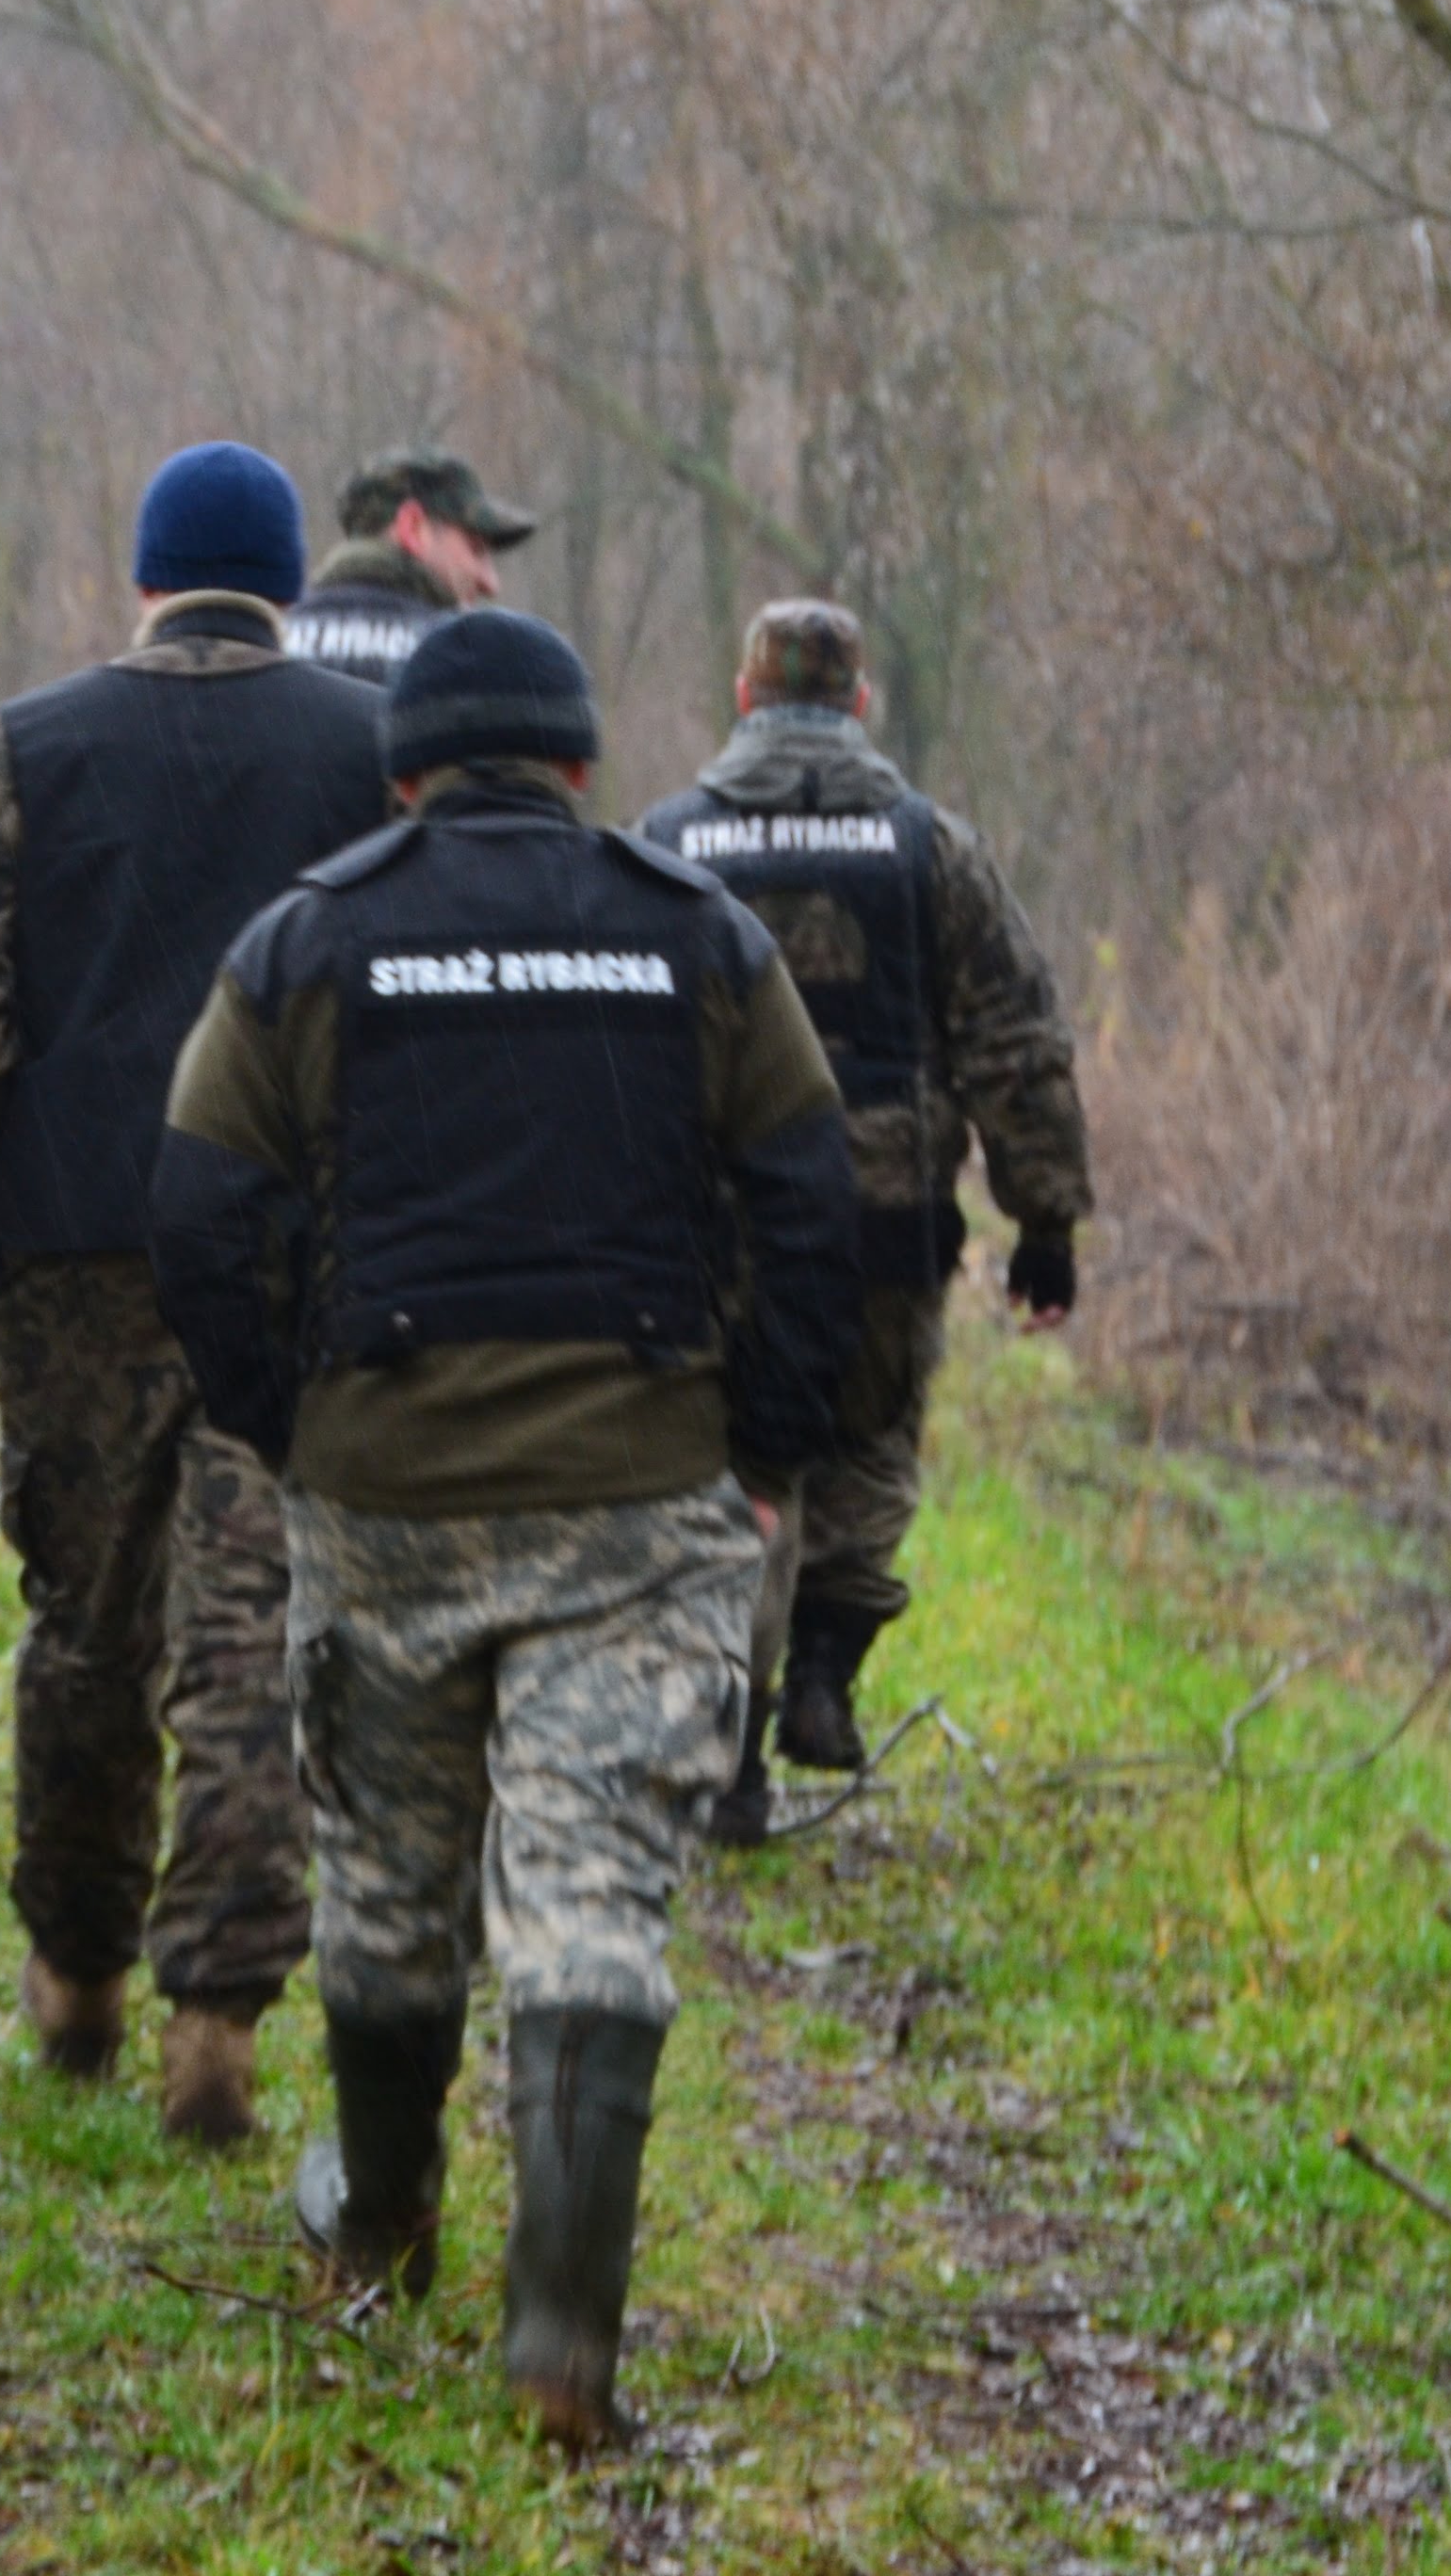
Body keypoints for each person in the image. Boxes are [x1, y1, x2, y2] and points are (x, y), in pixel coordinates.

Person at [147, 608, 858, 2449]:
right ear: (578, 765)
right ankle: (560, 2343)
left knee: (388, 1888)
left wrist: (287, 1422)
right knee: (594, 1896)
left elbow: (196, 1211)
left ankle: (381, 2223)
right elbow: (809, 1205)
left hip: (382, 1497)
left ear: (402, 768)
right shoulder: (703, 939)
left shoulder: (301, 944)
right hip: (639, 1499)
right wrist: (761, 1443)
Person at [0, 443, 392, 2144]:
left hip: (72, 1257)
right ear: (279, 581)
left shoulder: (23, 748)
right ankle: (217, 2011)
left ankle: (74, 1971)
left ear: (143, 577)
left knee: (83, 1623)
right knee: (252, 1627)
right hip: (285, 1252)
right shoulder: (366, 749)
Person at [637, 602, 1092, 1839]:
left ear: (744, 699)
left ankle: (731, 1738)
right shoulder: (927, 847)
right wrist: (1043, 1221)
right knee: (873, 1437)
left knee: (741, 1467)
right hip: (885, 1217)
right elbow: (1017, 1038)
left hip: (718, 1223)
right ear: (860, 703)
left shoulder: (669, 843)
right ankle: (829, 1661)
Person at [286, 450, 533, 684]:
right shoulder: (467, 660)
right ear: (413, 528)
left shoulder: (276, 642)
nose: (490, 583)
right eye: (476, 549)